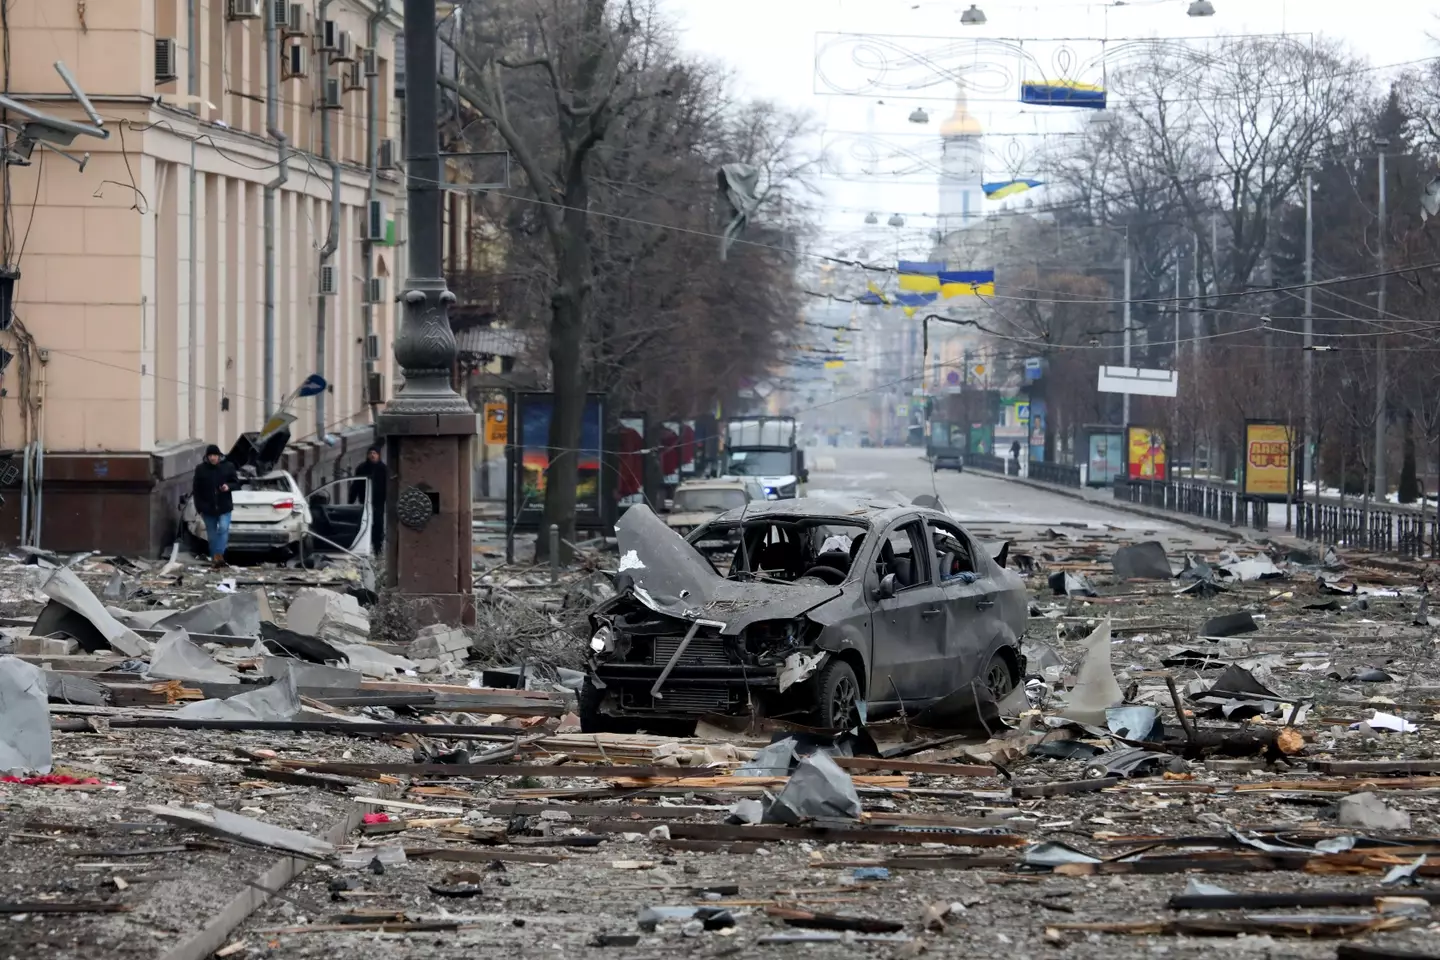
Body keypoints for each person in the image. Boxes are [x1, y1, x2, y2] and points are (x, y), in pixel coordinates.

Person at [192, 444, 238, 567]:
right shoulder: (201, 469)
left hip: (224, 506)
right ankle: (215, 559)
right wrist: (199, 507)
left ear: (219, 456)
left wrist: (228, 487)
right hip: (208, 507)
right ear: (207, 457)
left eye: (215, 455)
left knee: (223, 528)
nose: (213, 458)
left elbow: (236, 483)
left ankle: (219, 556)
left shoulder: (228, 467)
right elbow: (196, 489)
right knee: (212, 535)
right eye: (210, 456)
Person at [349, 445, 388, 552]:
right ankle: (364, 546)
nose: (372, 455)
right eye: (370, 453)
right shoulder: (362, 468)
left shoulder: (383, 469)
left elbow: (388, 486)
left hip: (378, 502)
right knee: (364, 523)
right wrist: (351, 499)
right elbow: (356, 485)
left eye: (374, 453)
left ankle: (377, 547)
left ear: (379, 455)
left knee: (378, 524)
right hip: (365, 501)